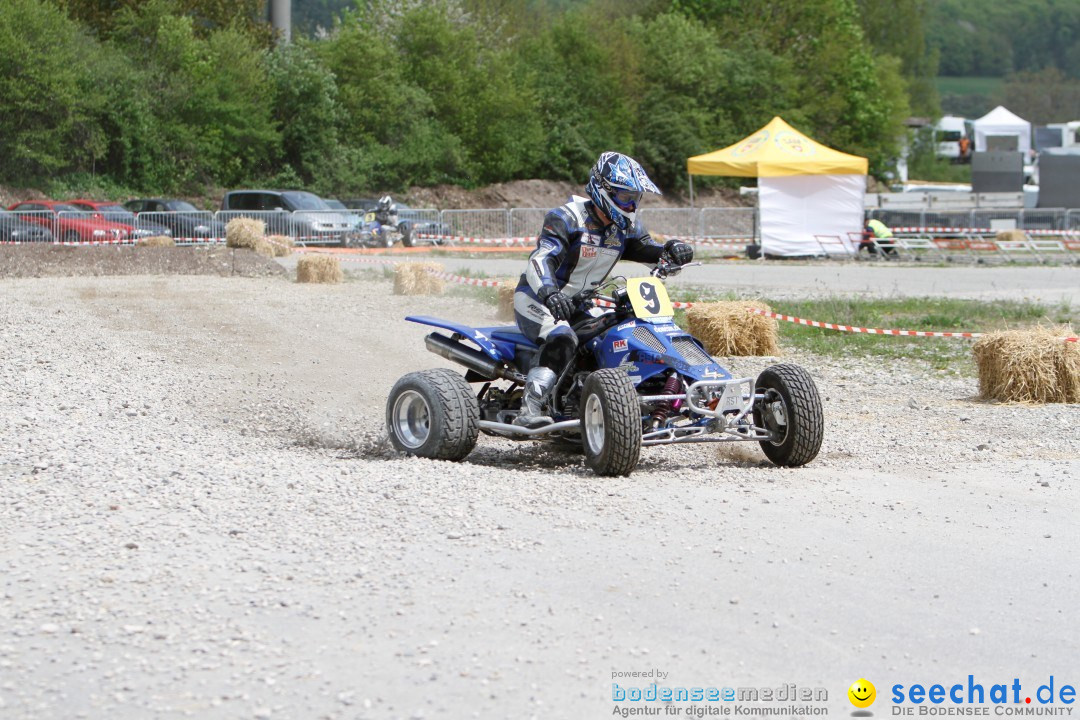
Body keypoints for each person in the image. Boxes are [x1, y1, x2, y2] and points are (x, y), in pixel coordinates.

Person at [512, 151, 694, 427]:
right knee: (562, 337)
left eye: (635, 198)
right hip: (539, 299)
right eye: (625, 197)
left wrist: (670, 250)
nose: (631, 205)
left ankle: (623, 398)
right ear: (602, 190)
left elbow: (645, 248)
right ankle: (531, 407)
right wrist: (551, 294)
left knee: (621, 334)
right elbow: (540, 260)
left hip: (581, 304)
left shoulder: (624, 228)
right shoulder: (566, 218)